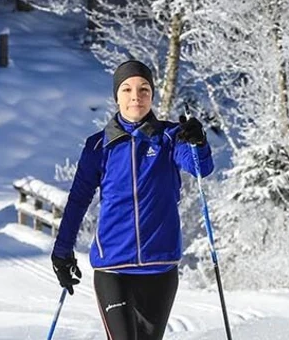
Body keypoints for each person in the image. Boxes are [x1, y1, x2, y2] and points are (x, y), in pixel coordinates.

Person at [52, 60, 216, 340]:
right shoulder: (97, 146)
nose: (135, 96)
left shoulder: (170, 137)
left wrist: (198, 142)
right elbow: (79, 200)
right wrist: (62, 251)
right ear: (117, 96)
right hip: (113, 268)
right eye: (127, 89)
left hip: (161, 268)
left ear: (152, 95)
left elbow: (200, 168)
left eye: (143, 89)